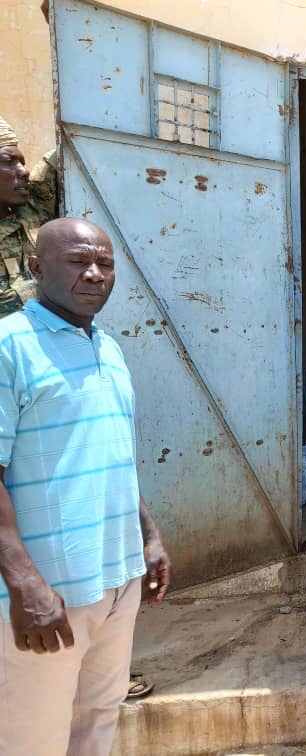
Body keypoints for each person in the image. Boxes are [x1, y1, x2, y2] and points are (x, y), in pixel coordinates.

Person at [0, 218, 171, 756]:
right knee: (33, 738)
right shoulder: (10, 347)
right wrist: (25, 584)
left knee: (97, 722)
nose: (94, 274)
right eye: (78, 261)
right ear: (36, 268)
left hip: (116, 581)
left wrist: (148, 535)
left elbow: (113, 455)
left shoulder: (109, 348)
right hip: (48, 593)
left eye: (104, 263)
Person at [0, 115, 58, 318]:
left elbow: (73, 145)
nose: (24, 171)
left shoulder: (33, 209)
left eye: (22, 163)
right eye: (8, 162)